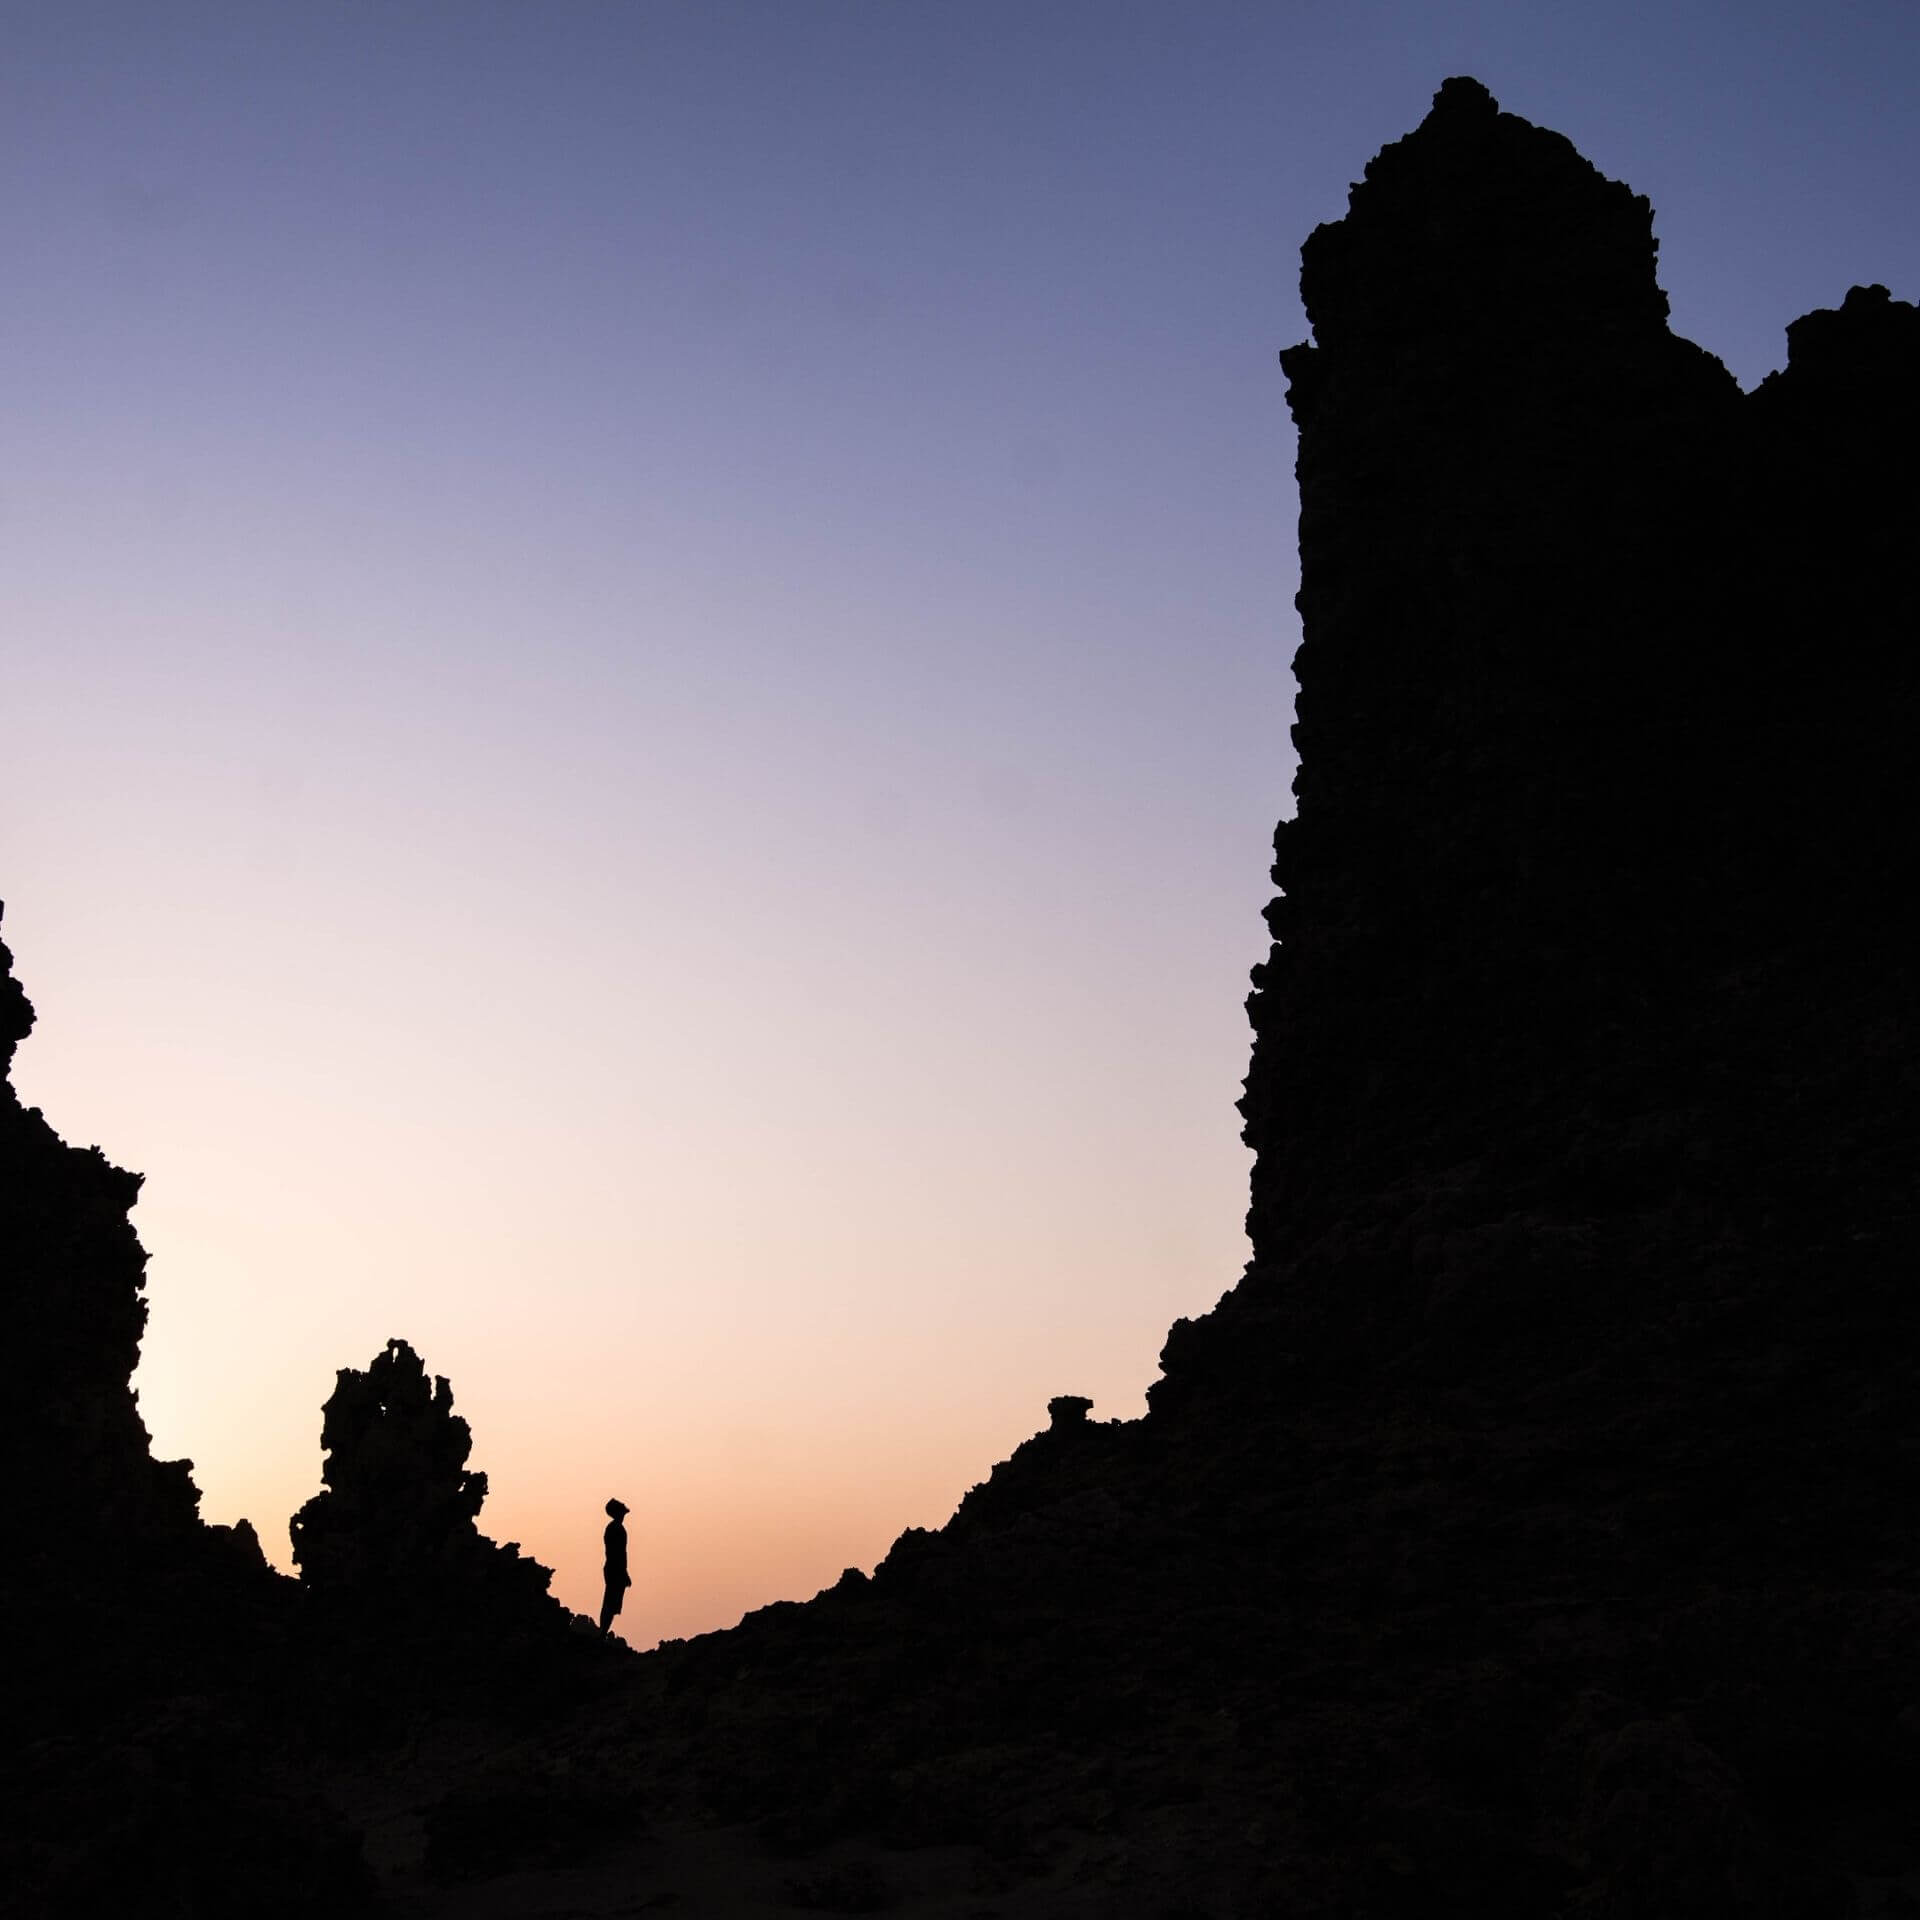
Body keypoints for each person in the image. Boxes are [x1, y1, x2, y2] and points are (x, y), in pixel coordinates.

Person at [599, 1497, 631, 1636]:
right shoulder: (615, 1529)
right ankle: (602, 1634)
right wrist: (623, 1573)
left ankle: (602, 1634)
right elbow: (616, 1553)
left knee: (611, 1603)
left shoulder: (615, 1528)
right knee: (610, 1604)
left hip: (614, 1569)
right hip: (615, 1569)